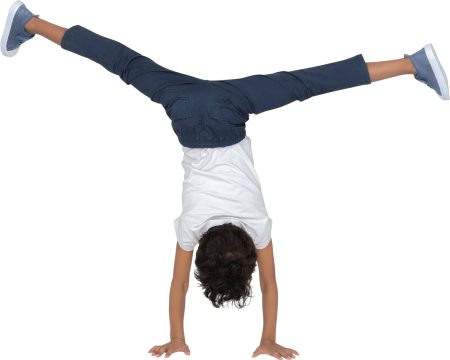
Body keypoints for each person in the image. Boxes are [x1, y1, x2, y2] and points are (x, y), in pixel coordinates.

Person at [2, 1, 448, 359]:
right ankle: (32, 21)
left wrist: (269, 338)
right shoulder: (190, 228)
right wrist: (176, 337)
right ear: (202, 256)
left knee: (304, 83)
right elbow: (176, 286)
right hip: (187, 112)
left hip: (229, 109)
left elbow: (273, 286)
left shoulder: (258, 228)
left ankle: (412, 64)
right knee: (125, 63)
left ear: (248, 260)